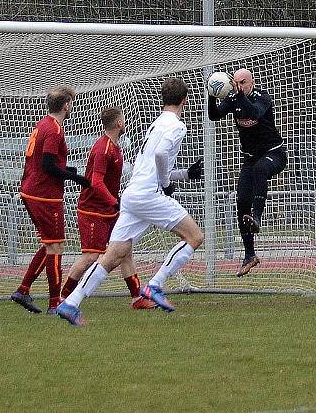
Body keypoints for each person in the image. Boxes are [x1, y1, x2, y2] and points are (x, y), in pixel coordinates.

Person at [55, 77, 205, 326]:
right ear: (184, 101)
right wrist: (168, 183)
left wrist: (184, 174)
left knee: (112, 256)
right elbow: (160, 157)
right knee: (195, 237)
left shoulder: (156, 124)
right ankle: (154, 285)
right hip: (148, 195)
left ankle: (71, 302)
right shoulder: (178, 126)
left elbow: (150, 165)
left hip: (133, 194)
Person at [58, 106, 157, 310]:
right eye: (123, 119)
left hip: (109, 210)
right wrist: (114, 201)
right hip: (93, 210)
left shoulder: (115, 147)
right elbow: (96, 182)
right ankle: (63, 297)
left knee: (125, 251)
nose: (125, 122)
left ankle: (137, 298)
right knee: (91, 256)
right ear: (119, 123)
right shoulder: (103, 148)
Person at [11, 86, 90, 314]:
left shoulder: (43, 124)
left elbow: (46, 162)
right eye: (71, 103)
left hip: (32, 189)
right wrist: (75, 177)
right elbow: (47, 165)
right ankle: (55, 303)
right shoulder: (54, 130)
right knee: (56, 246)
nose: (72, 106)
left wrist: (67, 170)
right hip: (44, 194)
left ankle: (23, 290)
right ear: (66, 105)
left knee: (49, 244)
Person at [208, 68, 286, 277]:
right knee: (241, 202)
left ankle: (257, 217)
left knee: (261, 170)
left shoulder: (263, 98)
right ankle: (250, 255)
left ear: (251, 82)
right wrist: (211, 96)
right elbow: (214, 116)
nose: (239, 86)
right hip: (250, 158)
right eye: (236, 83)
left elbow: (255, 112)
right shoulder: (234, 100)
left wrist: (240, 96)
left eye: (243, 82)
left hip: (274, 154)